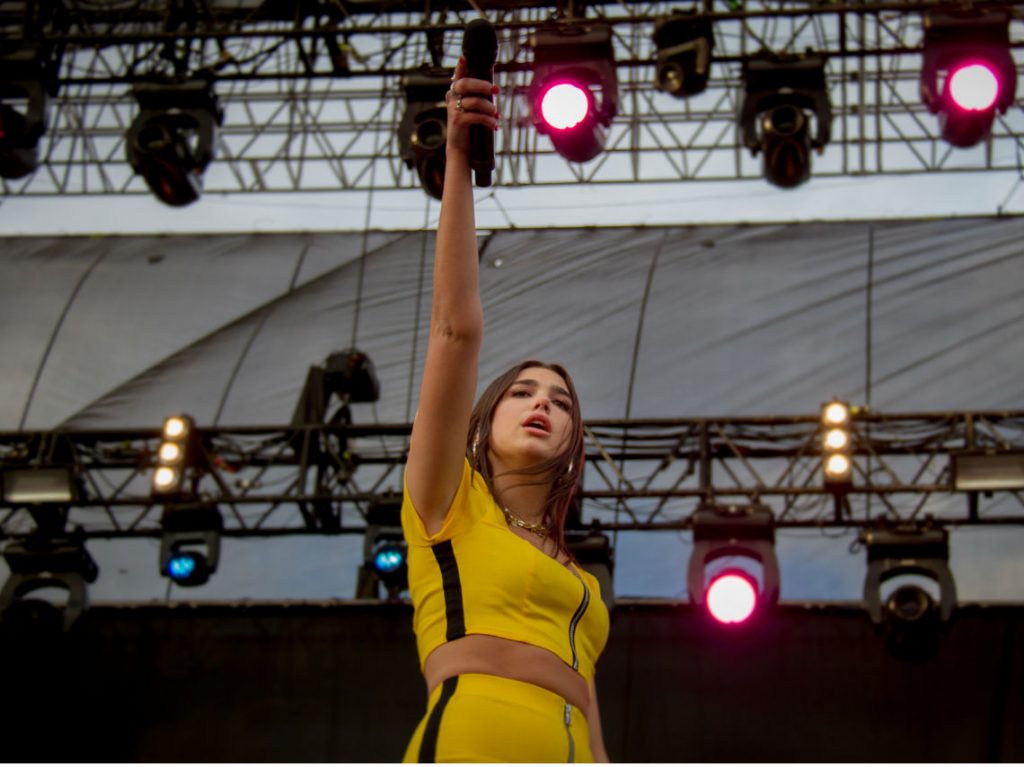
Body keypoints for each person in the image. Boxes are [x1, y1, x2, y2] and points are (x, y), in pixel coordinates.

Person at [399, 55, 611, 763]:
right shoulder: (444, 505)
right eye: (521, 392)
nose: (541, 405)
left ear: (575, 439)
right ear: (482, 425)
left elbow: (590, 709)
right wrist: (458, 160)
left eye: (560, 401)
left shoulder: (580, 577)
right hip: (470, 738)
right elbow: (456, 330)